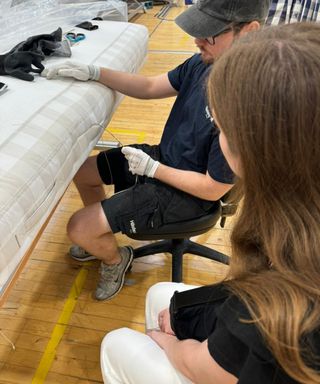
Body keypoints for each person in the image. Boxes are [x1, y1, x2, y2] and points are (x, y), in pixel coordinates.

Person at [100, 22, 320, 384]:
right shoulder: (293, 226)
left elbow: (212, 368)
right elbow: (152, 85)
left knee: (119, 342)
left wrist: (169, 346)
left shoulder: (281, 292)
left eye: (223, 127)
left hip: (247, 351)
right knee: (163, 297)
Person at [41, 0, 270, 301]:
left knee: (77, 227)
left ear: (248, 31)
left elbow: (213, 189)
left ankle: (114, 259)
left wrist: (153, 170)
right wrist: (96, 72)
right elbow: (149, 86)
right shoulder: (204, 62)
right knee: (84, 173)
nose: (197, 40)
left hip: (188, 195)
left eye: (210, 33)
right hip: (163, 160)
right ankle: (100, 234)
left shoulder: (244, 103)